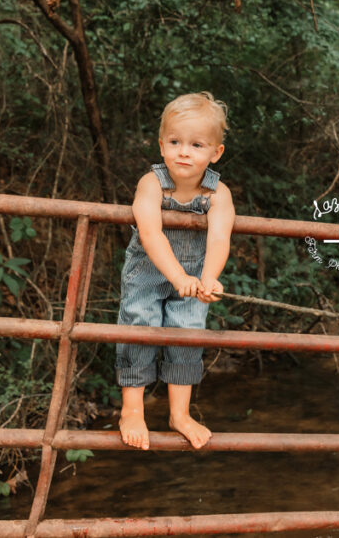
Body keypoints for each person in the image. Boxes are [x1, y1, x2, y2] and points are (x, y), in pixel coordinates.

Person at [116, 92, 235, 450]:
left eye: (196, 144)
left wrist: (209, 277)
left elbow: (218, 240)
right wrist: (177, 276)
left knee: (187, 334)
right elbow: (151, 235)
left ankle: (179, 413)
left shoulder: (218, 195)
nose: (184, 151)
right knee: (140, 326)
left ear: (215, 153)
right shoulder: (151, 184)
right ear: (161, 145)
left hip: (195, 275)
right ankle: (132, 409)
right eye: (175, 142)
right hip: (147, 272)